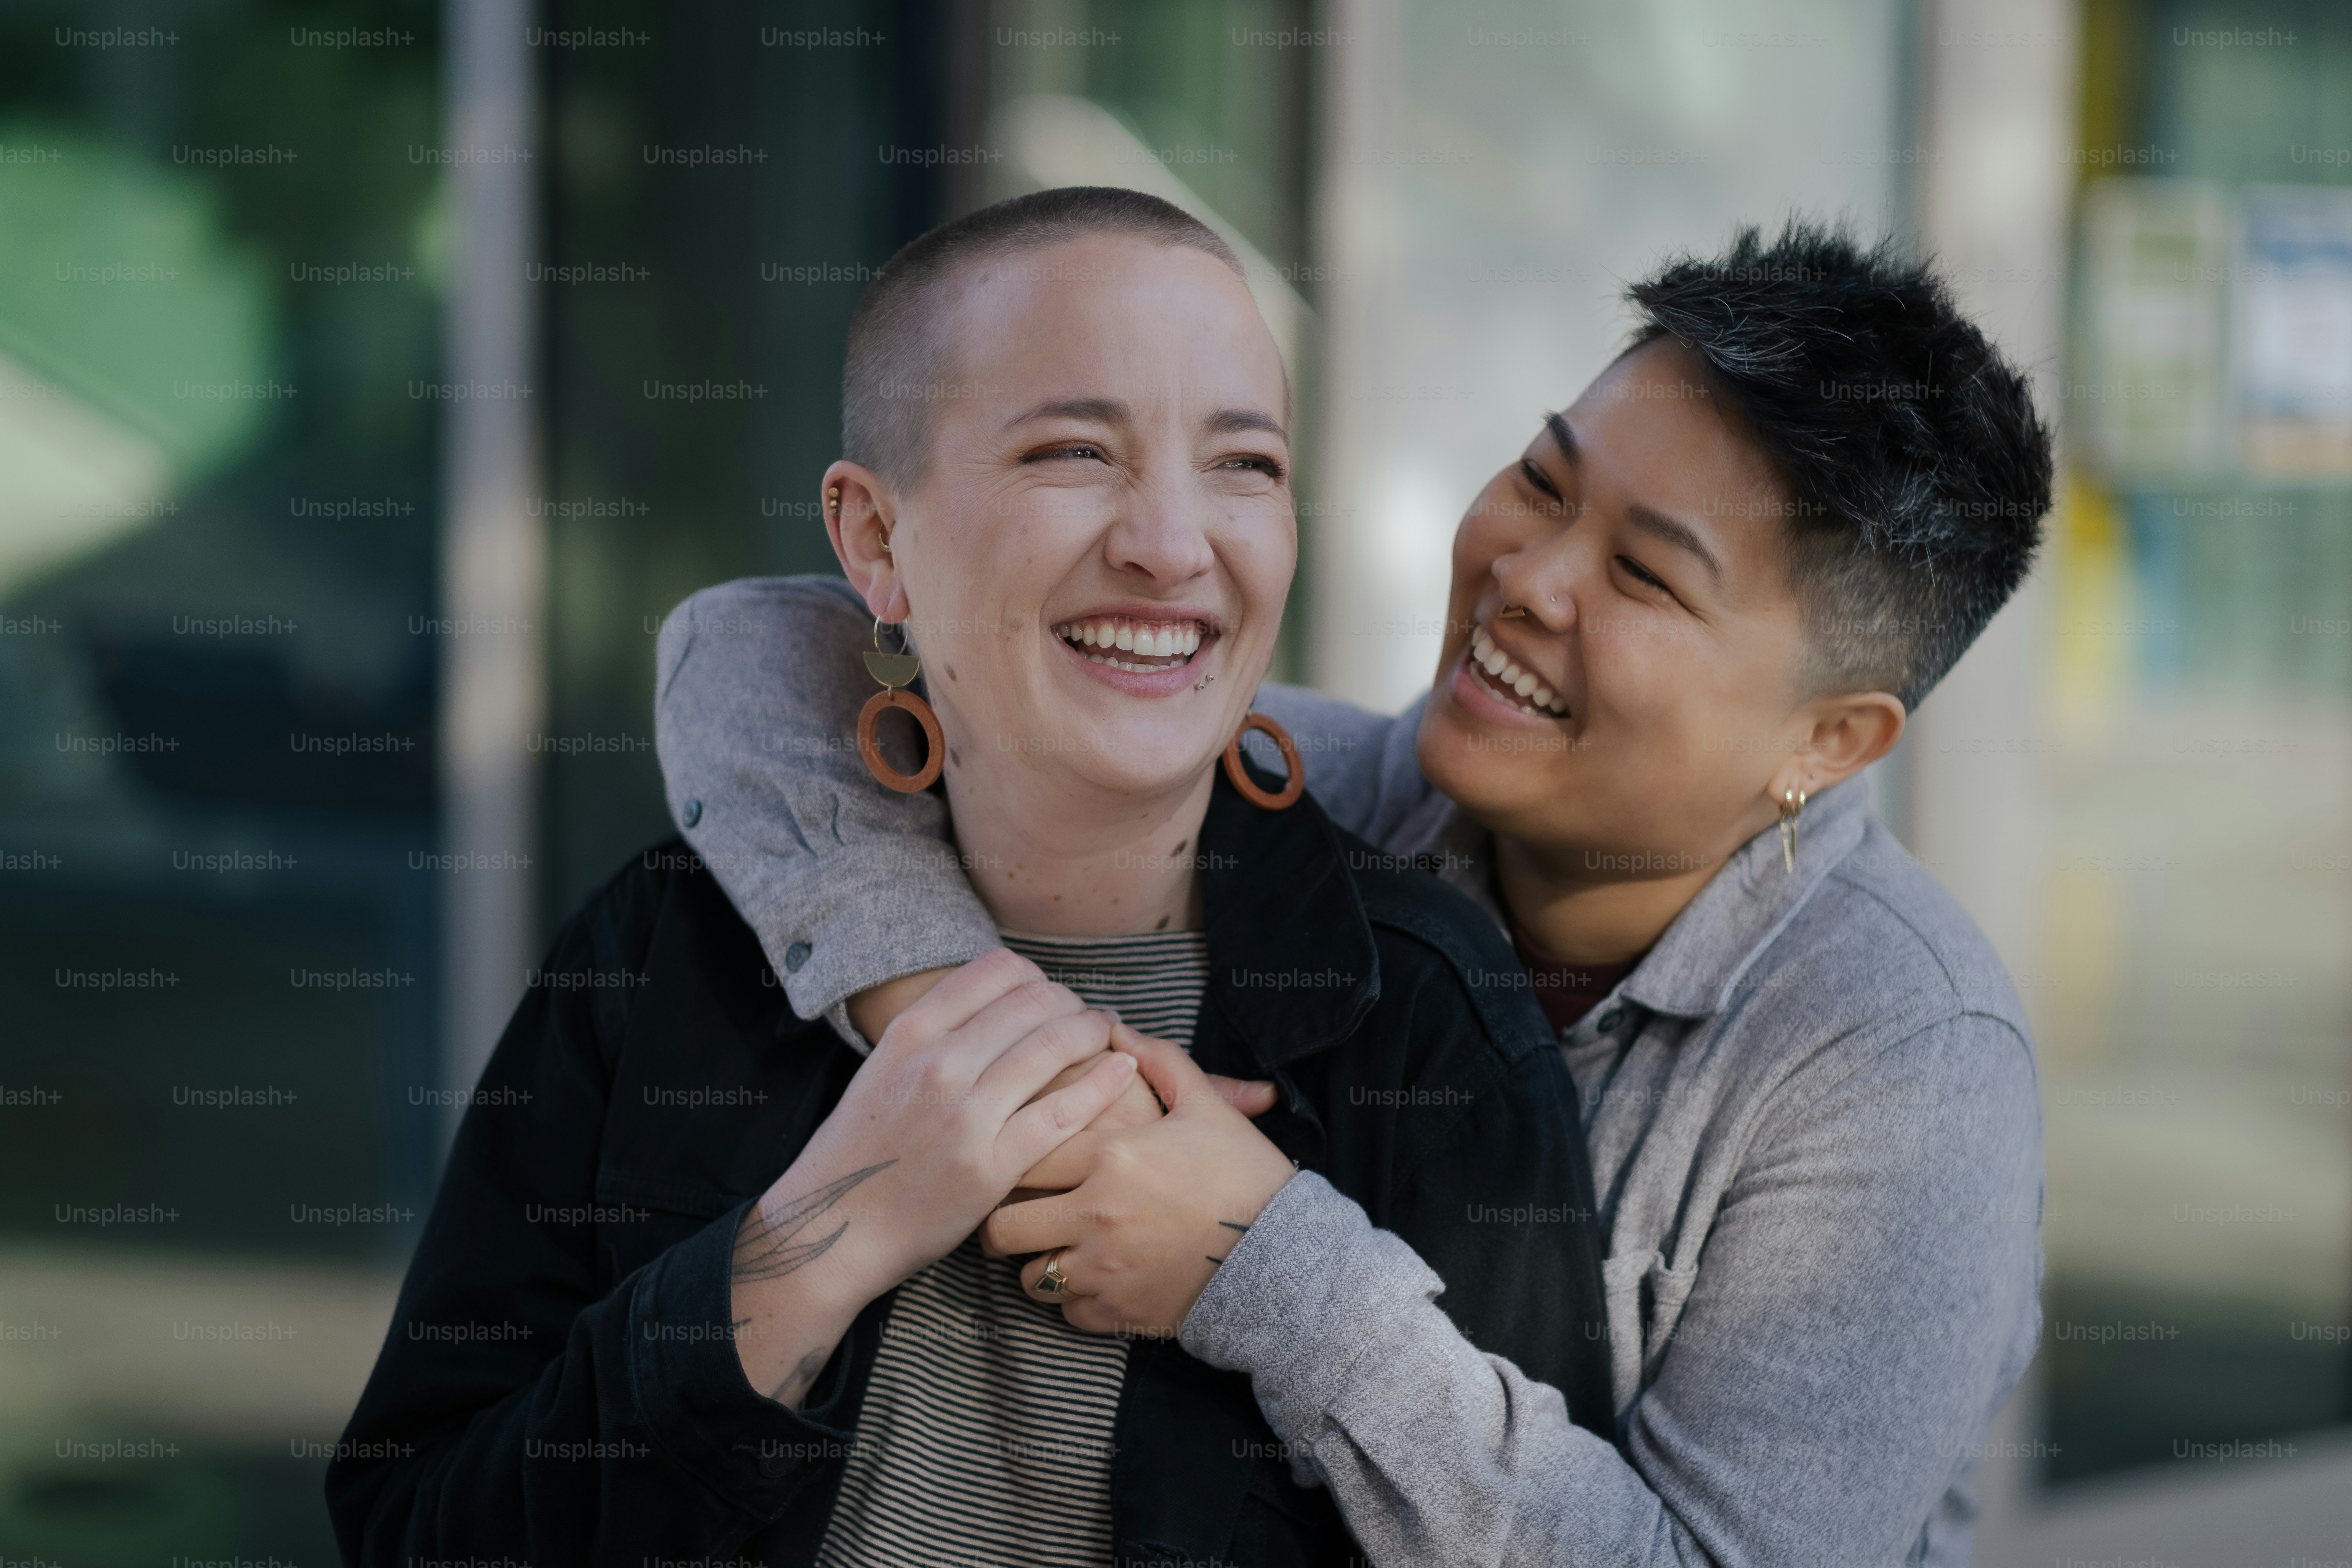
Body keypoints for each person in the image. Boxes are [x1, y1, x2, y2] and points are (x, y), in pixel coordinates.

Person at [657, 219, 2055, 1565]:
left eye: (1640, 574)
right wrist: (961, 1031)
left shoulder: (1906, 1076)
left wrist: (1260, 1267)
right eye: (1544, 482)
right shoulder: (1305, 796)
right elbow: (753, 649)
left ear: (1827, 740)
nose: (1527, 576)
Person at [327, 187, 1613, 1568]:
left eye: (1243, 465)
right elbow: (417, 1529)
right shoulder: (665, 951)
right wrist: (813, 1244)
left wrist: (1270, 1272)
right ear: (877, 541)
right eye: (1073, 451)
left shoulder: (1424, 1021)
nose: (1173, 545)